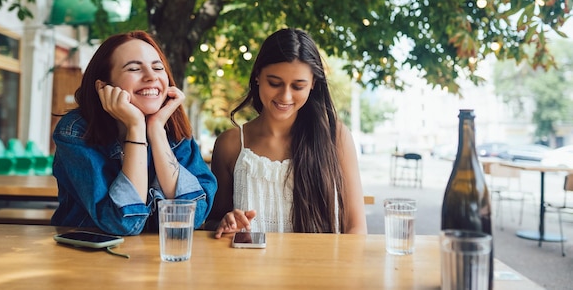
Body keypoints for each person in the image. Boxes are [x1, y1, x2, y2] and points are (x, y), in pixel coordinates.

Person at [51, 30, 217, 236]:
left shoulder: (171, 127)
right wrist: (136, 127)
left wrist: (156, 130)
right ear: (104, 86)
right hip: (89, 258)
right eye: (134, 69)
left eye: (158, 67)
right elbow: (123, 223)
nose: (151, 76)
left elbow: (191, 216)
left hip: (157, 258)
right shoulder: (75, 132)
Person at [207, 28, 367, 237]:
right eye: (274, 83)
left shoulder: (334, 137)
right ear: (257, 76)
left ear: (313, 85)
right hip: (250, 268)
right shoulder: (231, 145)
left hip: (320, 268)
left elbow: (355, 227)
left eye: (298, 86)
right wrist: (226, 223)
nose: (285, 96)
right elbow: (212, 222)